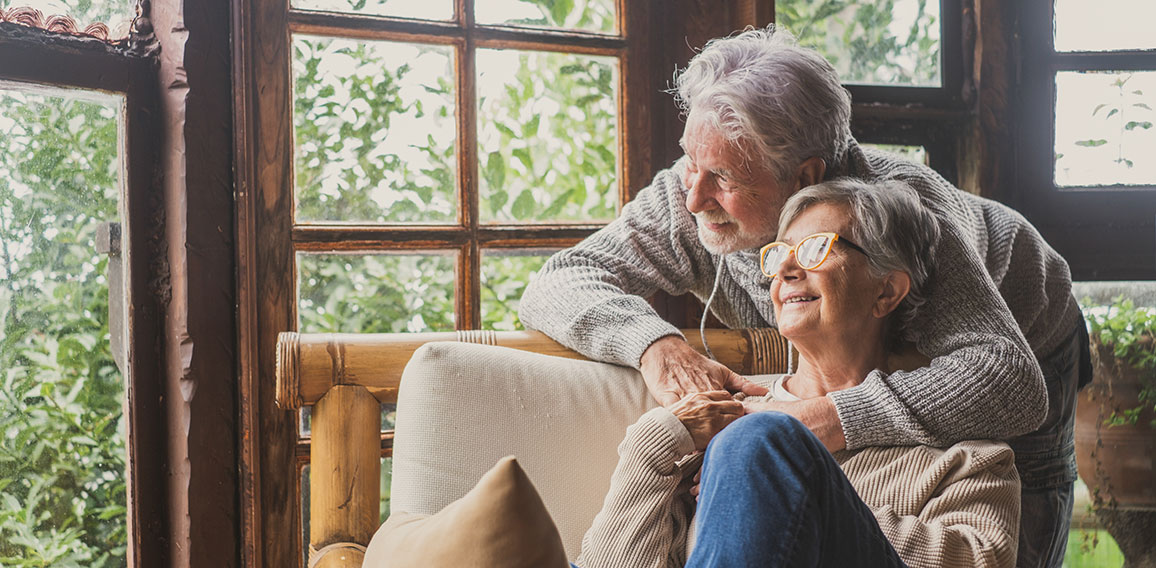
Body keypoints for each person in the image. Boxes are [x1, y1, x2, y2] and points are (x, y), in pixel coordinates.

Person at [519, 25, 1086, 568]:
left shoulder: (902, 215)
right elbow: (559, 279)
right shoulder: (686, 192)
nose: (692, 198)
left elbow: (1012, 383)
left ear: (803, 175)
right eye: (690, 162)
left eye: (722, 177)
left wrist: (808, 425)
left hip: (1031, 325)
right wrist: (655, 345)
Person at [576, 179, 1020, 568]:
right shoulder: (720, 423)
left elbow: (979, 559)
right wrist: (655, 443)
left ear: (885, 291)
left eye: (814, 249)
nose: (786, 270)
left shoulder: (966, 453)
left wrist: (798, 487)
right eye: (779, 254)